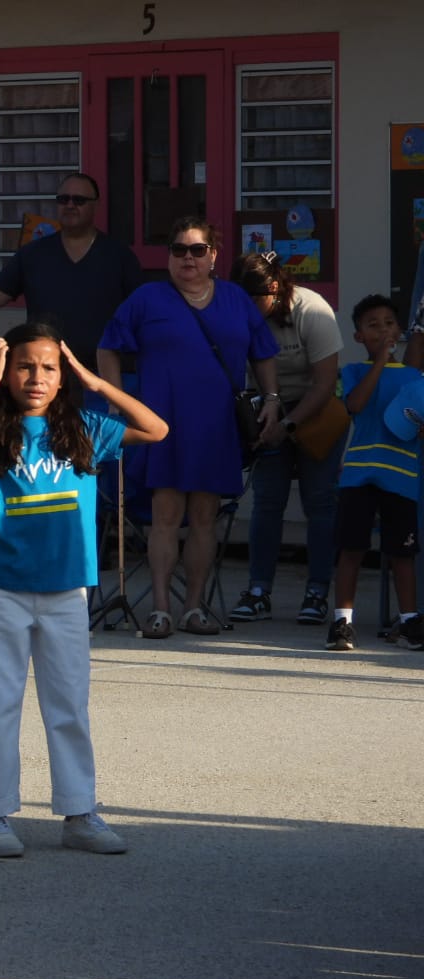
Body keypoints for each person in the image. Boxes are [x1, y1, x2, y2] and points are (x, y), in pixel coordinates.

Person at [0, 325, 168, 858]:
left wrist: (96, 382)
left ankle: (79, 810)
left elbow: (155, 429)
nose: (36, 377)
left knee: (68, 703)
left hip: (68, 589)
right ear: (7, 371)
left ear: (63, 375)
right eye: (24, 365)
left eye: (48, 367)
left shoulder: (85, 425)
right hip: (4, 589)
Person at [97, 217, 279, 637]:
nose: (188, 258)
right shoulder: (147, 298)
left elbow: (263, 354)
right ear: (169, 257)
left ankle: (193, 608)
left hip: (217, 427)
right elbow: (108, 347)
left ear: (214, 255)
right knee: (164, 515)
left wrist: (270, 399)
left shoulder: (235, 299)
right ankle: (160, 609)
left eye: (197, 250)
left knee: (204, 517)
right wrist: (115, 400)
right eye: (179, 250)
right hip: (161, 426)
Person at [226, 252, 344, 628]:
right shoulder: (238, 314)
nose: (247, 308)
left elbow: (325, 382)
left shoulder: (311, 309)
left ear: (274, 288)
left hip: (315, 407)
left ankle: (318, 591)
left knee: (320, 500)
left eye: (254, 300)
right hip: (268, 409)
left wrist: (289, 424)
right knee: (268, 500)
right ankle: (258, 590)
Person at [0, 174, 141, 369]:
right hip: (45, 372)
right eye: (63, 199)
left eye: (79, 200)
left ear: (96, 205)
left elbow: (141, 311)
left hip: (103, 374)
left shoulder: (119, 255)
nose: (70, 205)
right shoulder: (33, 254)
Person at [325, 296, 424, 652]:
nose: (382, 330)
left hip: (401, 478)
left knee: (402, 553)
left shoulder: (415, 377)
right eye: (372, 325)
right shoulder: (353, 372)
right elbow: (355, 405)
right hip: (358, 476)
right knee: (351, 548)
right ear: (358, 336)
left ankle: (410, 621)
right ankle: (342, 622)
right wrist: (379, 363)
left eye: (388, 323)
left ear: (399, 331)